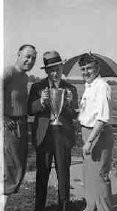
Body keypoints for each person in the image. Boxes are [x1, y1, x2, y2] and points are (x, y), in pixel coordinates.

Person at [27, 50, 78, 211]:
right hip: (44, 137)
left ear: (62, 68)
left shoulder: (71, 88)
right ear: (47, 71)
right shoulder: (37, 87)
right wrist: (40, 102)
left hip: (63, 137)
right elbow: (29, 110)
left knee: (64, 175)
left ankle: (63, 207)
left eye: (58, 69)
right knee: (42, 176)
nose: (55, 73)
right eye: (52, 70)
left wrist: (69, 104)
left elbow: (73, 115)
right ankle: (39, 208)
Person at [78, 53, 114, 211]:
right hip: (88, 132)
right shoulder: (89, 86)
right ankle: (91, 207)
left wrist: (89, 141)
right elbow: (89, 113)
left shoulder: (102, 86)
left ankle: (104, 208)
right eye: (83, 69)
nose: (86, 72)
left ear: (97, 68)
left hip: (98, 134)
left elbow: (102, 118)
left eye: (89, 68)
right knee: (89, 176)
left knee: (100, 176)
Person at [3, 44, 37, 209]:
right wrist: (2, 116)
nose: (30, 61)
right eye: (27, 56)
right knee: (10, 169)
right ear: (18, 54)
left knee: (19, 168)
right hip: (9, 125)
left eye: (34, 58)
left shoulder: (25, 77)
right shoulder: (8, 72)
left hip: (22, 125)